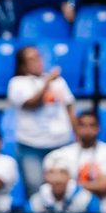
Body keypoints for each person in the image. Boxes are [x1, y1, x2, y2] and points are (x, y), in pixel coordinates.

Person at [6, 46, 75, 194]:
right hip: (32, 146)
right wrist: (47, 82)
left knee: (65, 188)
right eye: (31, 59)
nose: (37, 61)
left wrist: (76, 133)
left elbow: (69, 107)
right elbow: (32, 103)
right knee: (35, 187)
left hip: (61, 144)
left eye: (38, 57)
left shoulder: (59, 81)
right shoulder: (17, 83)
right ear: (22, 65)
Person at [46, 110, 106, 213]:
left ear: (98, 128)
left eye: (91, 125)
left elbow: (104, 187)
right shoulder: (62, 154)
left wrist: (70, 185)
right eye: (83, 125)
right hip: (72, 212)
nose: (87, 130)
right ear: (76, 128)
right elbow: (55, 184)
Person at [29, 158, 94, 213]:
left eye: (62, 172)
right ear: (45, 176)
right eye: (52, 173)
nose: (57, 179)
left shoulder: (86, 199)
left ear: (70, 176)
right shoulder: (35, 202)